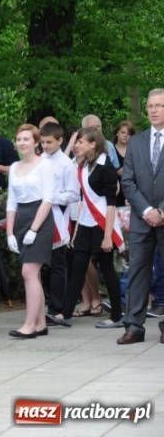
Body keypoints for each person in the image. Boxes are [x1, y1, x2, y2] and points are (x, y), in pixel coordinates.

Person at [48, 128, 124, 331]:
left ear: (93, 144)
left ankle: (117, 315)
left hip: (102, 225)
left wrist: (108, 236)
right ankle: (65, 313)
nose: (76, 145)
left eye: (81, 142)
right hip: (86, 223)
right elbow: (83, 201)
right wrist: (76, 230)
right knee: (78, 268)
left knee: (107, 270)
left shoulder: (105, 167)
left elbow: (110, 204)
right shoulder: (82, 166)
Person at [118, 88, 164, 345]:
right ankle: (134, 326)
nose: (154, 110)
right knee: (137, 271)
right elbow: (128, 182)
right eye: (150, 106)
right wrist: (147, 211)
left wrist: (162, 212)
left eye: (159, 105)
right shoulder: (136, 142)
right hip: (141, 219)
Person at [4, 124, 54, 338]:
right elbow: (11, 201)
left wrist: (34, 229)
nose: (22, 143)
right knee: (34, 276)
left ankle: (29, 325)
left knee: (29, 273)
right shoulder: (14, 166)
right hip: (21, 219)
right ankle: (41, 323)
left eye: (26, 139)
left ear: (36, 142)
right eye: (19, 139)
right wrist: (9, 233)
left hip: (40, 219)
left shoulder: (45, 164)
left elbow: (48, 199)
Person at [38, 122, 80, 322]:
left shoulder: (66, 164)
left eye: (49, 142)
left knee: (58, 263)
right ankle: (41, 304)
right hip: (39, 215)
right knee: (39, 263)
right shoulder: (40, 159)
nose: (45, 146)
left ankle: (57, 307)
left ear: (60, 140)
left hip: (57, 217)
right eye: (43, 142)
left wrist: (50, 197)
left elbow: (73, 194)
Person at [113, 120, 135, 206]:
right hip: (115, 189)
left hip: (133, 189)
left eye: (129, 133)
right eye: (123, 132)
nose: (126, 135)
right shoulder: (110, 149)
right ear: (117, 133)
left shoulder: (136, 150)